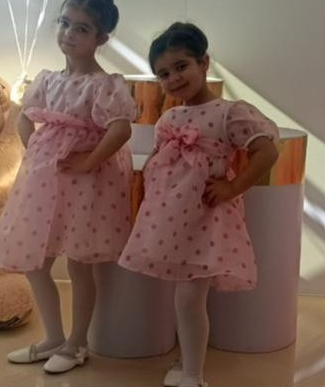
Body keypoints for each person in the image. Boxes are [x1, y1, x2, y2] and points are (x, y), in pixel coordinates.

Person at [119, 22, 280, 387]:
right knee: (183, 297)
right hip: (172, 220)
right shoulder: (170, 118)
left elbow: (266, 151)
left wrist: (233, 186)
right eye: (163, 74)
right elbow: (161, 165)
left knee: (190, 298)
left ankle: (194, 374)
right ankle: (187, 363)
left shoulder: (229, 112)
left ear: (204, 62)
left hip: (207, 219)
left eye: (181, 66)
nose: (173, 78)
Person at [0, 0, 135, 374]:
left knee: (79, 263)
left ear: (101, 37)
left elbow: (120, 129)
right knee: (37, 261)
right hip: (45, 182)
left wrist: (90, 161)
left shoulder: (105, 84)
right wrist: (32, 147)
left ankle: (76, 342)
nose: (68, 34)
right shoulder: (48, 79)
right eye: (64, 23)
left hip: (85, 185)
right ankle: (53, 335)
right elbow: (23, 114)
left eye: (81, 28)